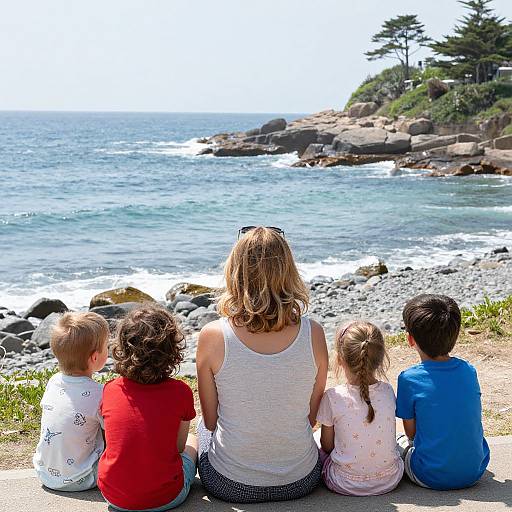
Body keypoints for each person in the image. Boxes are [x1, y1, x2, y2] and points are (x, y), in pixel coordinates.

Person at [196, 226, 328, 503]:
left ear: (236, 272)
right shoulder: (313, 333)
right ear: (288, 272)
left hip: (230, 484)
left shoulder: (213, 335)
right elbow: (311, 418)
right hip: (300, 479)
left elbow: (211, 421)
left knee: (199, 427)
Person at [98, 304, 197, 511]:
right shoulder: (181, 392)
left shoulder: (110, 390)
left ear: (122, 348)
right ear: (172, 350)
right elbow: (178, 448)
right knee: (192, 441)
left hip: (113, 496)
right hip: (165, 497)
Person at [396, 294, 490, 490]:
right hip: (475, 471)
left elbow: (411, 434)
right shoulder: (469, 371)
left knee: (399, 443)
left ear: (410, 339)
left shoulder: (409, 378)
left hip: (429, 475)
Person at [316, 321, 403, 496]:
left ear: (340, 360)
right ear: (380, 359)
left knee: (316, 441)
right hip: (390, 479)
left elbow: (327, 446)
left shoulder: (333, 397)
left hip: (343, 482)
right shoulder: (387, 390)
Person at [33, 312, 109, 491]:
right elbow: (112, 437)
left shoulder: (53, 381)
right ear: (94, 358)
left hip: (45, 473)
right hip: (82, 478)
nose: (109, 349)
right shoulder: (100, 393)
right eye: (106, 346)